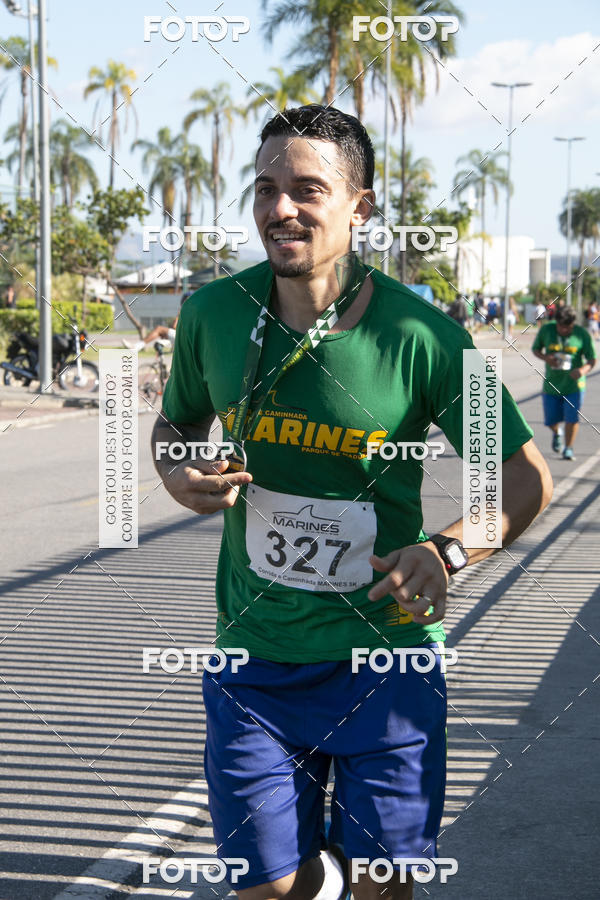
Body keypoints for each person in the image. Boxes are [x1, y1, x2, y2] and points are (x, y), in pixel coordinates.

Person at [152, 105, 552, 900]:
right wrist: (175, 469)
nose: (281, 208)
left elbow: (522, 475)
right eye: (265, 188)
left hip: (386, 662)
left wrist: (449, 550)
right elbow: (176, 421)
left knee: (384, 882)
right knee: (264, 886)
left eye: (307, 188)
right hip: (255, 657)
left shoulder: (427, 338)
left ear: (360, 207)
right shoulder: (211, 314)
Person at [532, 304, 596, 460]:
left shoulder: (582, 335)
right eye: (561, 327)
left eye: (568, 327)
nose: (565, 330)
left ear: (573, 323)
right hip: (551, 386)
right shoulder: (547, 330)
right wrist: (547, 358)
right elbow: (536, 349)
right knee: (550, 421)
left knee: (572, 419)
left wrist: (582, 370)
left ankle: (568, 448)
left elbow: (592, 359)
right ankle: (556, 432)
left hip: (575, 386)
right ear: (556, 322)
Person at [123, 291, 193, 351]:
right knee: (160, 336)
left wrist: (179, 314)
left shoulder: (185, 311)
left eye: (186, 300)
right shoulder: (193, 312)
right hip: (186, 338)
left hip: (185, 339)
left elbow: (175, 326)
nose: (185, 302)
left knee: (159, 329)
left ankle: (137, 347)